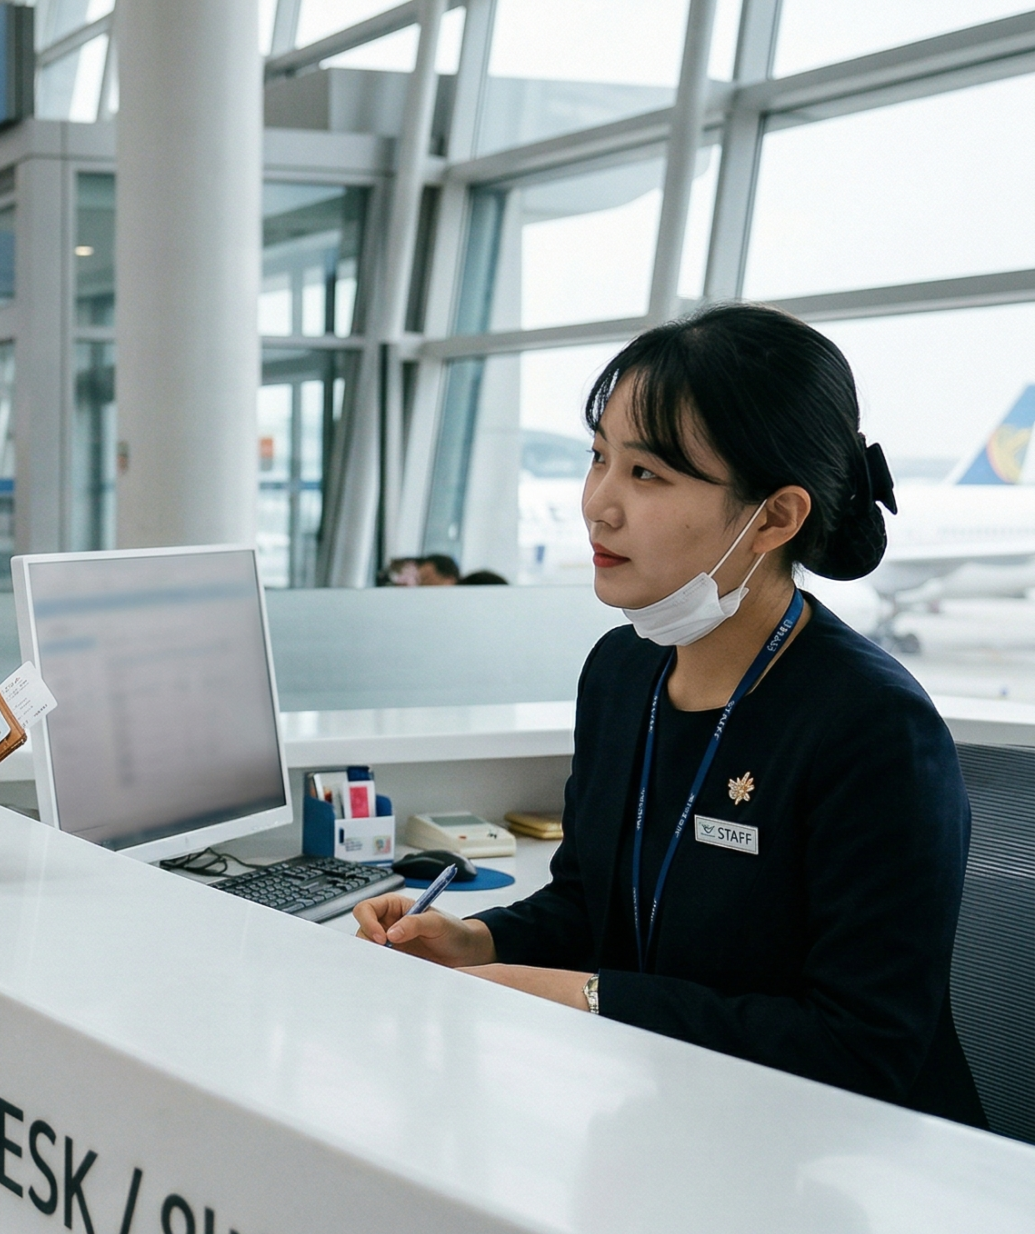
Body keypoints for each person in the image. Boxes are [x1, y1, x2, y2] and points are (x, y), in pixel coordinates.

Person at [354, 303, 984, 1128]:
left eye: (646, 474)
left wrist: (584, 998)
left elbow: (863, 1051)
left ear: (776, 517)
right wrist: (478, 941)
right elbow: (586, 903)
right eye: (598, 459)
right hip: (659, 1118)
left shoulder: (871, 728)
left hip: (848, 1170)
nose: (598, 505)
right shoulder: (624, 673)